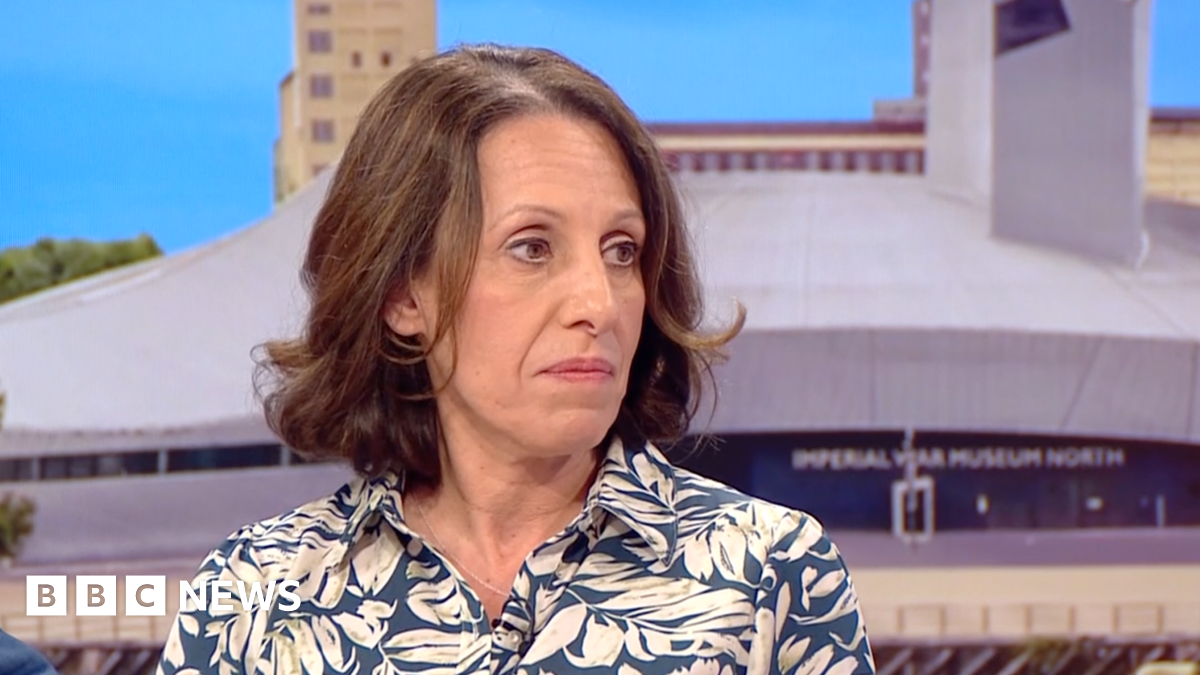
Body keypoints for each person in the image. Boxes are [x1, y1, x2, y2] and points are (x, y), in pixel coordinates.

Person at [158, 44, 875, 675]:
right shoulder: (254, 596)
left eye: (622, 251)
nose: (598, 302)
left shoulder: (772, 577)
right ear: (403, 294)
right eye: (532, 247)